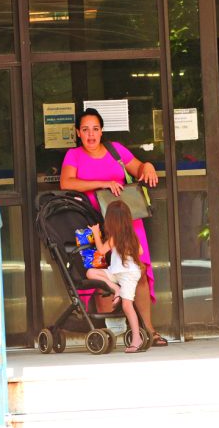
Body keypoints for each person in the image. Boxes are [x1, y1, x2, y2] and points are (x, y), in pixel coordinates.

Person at [60, 107, 169, 346]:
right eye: (85, 130)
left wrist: (147, 166)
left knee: (136, 272)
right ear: (78, 132)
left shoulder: (115, 149)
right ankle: (119, 334)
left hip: (125, 221)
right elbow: (66, 182)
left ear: (102, 131)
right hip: (93, 221)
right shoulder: (74, 155)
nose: (91, 135)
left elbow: (138, 168)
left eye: (95, 129)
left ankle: (149, 330)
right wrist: (104, 183)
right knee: (103, 278)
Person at [86, 201, 145, 353]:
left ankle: (137, 338)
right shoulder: (131, 236)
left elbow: (100, 250)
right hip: (116, 273)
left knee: (127, 305)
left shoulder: (114, 238)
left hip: (128, 275)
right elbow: (140, 252)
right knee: (91, 272)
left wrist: (95, 232)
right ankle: (115, 289)